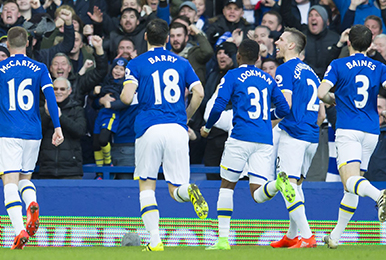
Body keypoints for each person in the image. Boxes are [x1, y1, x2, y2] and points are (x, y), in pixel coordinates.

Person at [120, 19, 208, 251]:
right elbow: (199, 92)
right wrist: (186, 116)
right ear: (167, 38)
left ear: (146, 37)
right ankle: (188, 191)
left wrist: (126, 91)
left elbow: (127, 98)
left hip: (149, 127)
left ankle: (155, 240)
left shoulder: (137, 63)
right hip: (177, 128)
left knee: (146, 185)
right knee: (175, 188)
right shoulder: (182, 62)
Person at [0, 26, 63, 249]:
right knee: (25, 179)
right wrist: (57, 126)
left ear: (7, 45)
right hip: (33, 133)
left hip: (8, 131)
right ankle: (32, 202)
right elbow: (50, 99)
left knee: (9, 182)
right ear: (27, 43)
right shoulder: (40, 67)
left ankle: (19, 231)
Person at [201, 39, 292, 251]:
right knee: (258, 194)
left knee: (227, 186)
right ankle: (278, 184)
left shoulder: (232, 75)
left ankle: (223, 240)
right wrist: (268, 117)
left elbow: (218, 106)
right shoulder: (267, 79)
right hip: (263, 139)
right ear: (258, 58)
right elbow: (284, 109)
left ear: (238, 56)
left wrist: (207, 127)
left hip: (240, 137)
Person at [318, 25, 386, 249]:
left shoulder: (338, 65)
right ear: (370, 43)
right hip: (371, 131)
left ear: (348, 42)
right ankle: (335, 237)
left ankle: (378, 195)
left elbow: (320, 92)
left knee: (350, 181)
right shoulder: (380, 67)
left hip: (348, 129)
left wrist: (331, 99)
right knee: (352, 186)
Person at [270, 28, 321, 248]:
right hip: (311, 134)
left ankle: (308, 236)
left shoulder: (284, 69)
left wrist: (266, 120)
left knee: (286, 184)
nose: (276, 42)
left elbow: (286, 105)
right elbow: (321, 110)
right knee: (296, 185)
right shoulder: (311, 72)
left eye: (281, 39)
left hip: (294, 134)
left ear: (291, 45)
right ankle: (291, 235)